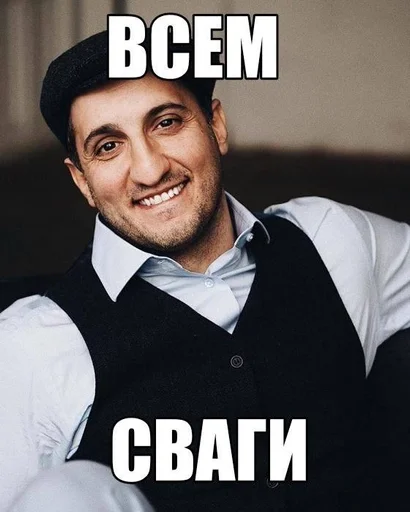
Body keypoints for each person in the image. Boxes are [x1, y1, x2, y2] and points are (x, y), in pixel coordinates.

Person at [1, 29, 410, 511]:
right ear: (82, 180)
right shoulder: (35, 346)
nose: (150, 170)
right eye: (108, 146)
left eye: (167, 122)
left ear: (216, 125)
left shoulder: (331, 242)